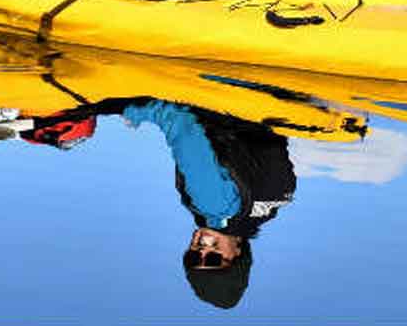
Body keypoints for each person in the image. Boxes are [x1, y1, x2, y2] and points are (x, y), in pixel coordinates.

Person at [124, 99, 296, 309]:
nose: (202, 251)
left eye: (192, 258)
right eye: (214, 260)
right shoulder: (214, 206)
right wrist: (129, 111)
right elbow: (179, 121)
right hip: (229, 99)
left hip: (268, 108)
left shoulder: (273, 206)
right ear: (238, 253)